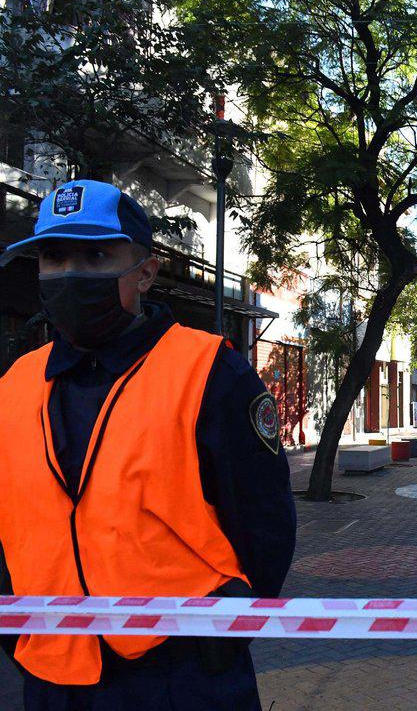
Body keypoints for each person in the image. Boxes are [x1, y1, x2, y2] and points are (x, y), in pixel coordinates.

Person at [0, 180, 297, 711]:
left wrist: (224, 635)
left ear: (146, 271)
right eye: (53, 255)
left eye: (96, 256)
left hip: (179, 672)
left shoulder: (209, 371)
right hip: (50, 667)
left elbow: (264, 521)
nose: (71, 274)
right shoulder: (14, 386)